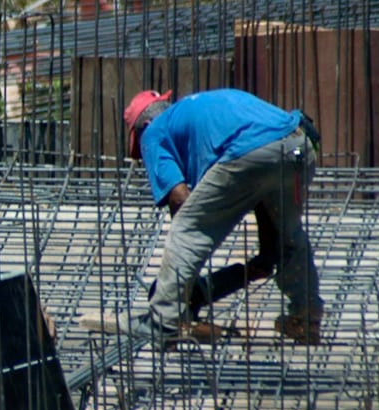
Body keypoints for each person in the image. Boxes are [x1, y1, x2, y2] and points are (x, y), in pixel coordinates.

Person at [122, 88, 325, 345]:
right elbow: (266, 161)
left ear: (145, 124)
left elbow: (180, 200)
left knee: (187, 227)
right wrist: (263, 259)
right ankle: (305, 318)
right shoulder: (207, 108)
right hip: (300, 143)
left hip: (251, 151)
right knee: (288, 237)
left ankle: (163, 320)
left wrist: (184, 285)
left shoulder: (153, 131)